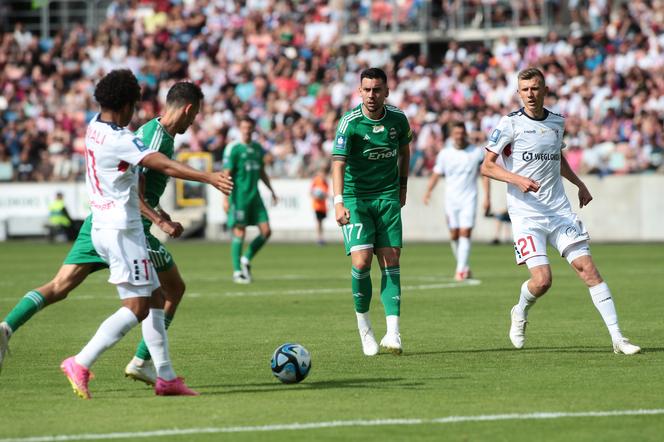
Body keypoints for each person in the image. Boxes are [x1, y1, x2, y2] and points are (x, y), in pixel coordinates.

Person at [2, 70, 233, 398]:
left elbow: (134, 179)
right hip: (124, 230)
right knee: (141, 305)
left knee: (142, 295)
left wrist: (158, 213)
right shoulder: (128, 139)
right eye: (134, 104)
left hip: (98, 224)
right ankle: (81, 362)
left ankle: (164, 376)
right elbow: (158, 168)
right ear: (127, 104)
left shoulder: (94, 127)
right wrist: (205, 180)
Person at [480, 67, 640, 355]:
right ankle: (520, 310)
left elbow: (557, 158)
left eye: (535, 88)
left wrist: (579, 183)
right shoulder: (509, 124)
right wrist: (518, 179)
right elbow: (487, 166)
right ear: (518, 93)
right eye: (525, 89)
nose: (530, 94)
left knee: (588, 270)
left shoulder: (557, 122)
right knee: (542, 281)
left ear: (545, 90)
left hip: (559, 211)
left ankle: (618, 338)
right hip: (526, 216)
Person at [332, 67, 412, 356]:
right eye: (366, 89)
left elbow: (404, 152)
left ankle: (393, 333)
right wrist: (338, 202)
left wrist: (403, 187)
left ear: (387, 91)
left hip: (387, 196)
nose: (372, 95)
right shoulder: (349, 123)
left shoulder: (399, 120)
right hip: (355, 198)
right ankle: (365, 329)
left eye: (377, 89)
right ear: (359, 91)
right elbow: (338, 164)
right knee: (362, 262)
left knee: (391, 259)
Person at [423, 121, 490, 281]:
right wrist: (428, 191)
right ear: (452, 135)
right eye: (456, 133)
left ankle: (460, 270)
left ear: (465, 134)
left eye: (461, 133)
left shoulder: (476, 152)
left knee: (465, 232)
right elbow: (436, 173)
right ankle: (464, 266)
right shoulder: (445, 154)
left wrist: (487, 197)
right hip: (451, 200)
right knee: (454, 234)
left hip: (470, 198)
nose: (459, 136)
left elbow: (485, 175)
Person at [222, 116, 277, 284]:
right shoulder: (234, 149)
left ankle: (246, 259)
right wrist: (225, 198)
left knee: (266, 231)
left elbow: (261, 172)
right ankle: (237, 271)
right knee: (240, 232)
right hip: (239, 198)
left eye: (249, 128)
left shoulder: (257, 148)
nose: (246, 130)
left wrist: (272, 190)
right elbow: (226, 174)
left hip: (255, 197)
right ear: (240, 129)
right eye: (244, 127)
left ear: (253, 129)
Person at [310, 165, 330, 245]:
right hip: (317, 205)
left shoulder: (325, 182)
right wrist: (316, 196)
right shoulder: (316, 180)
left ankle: (321, 237)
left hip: (323, 206)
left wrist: (323, 195)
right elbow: (311, 192)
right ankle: (319, 238)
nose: (323, 175)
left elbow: (327, 194)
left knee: (321, 222)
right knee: (318, 222)